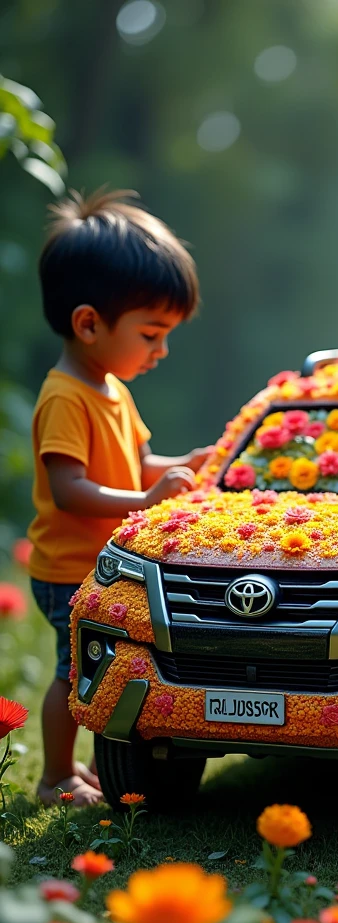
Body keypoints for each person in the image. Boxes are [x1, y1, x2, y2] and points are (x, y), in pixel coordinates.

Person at [28, 188, 211, 806]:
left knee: (98, 669)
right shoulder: (65, 396)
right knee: (70, 671)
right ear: (88, 323)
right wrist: (147, 497)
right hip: (66, 570)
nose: (161, 351)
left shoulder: (111, 388)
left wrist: (182, 465)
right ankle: (54, 776)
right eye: (152, 333)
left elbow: (136, 462)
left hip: (101, 566)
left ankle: (76, 768)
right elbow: (69, 488)